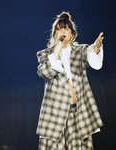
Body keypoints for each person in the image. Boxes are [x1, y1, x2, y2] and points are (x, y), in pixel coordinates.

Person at [36, 11, 104, 150]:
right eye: (59, 28)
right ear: (55, 34)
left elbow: (92, 59)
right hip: (54, 115)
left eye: (66, 29)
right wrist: (58, 49)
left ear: (72, 33)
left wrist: (96, 47)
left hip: (79, 115)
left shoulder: (80, 51)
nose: (63, 31)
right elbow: (44, 72)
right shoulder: (45, 54)